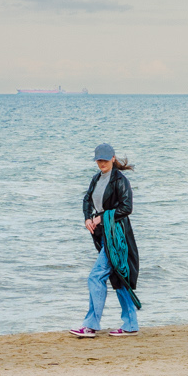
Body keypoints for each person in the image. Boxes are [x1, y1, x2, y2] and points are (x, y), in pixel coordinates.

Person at [70, 143, 141, 337]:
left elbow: (127, 207)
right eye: (98, 160)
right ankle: (131, 325)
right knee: (119, 278)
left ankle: (90, 325)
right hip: (103, 235)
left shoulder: (120, 180)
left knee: (96, 277)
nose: (101, 163)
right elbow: (87, 199)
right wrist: (88, 218)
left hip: (116, 236)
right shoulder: (96, 178)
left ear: (113, 158)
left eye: (105, 159)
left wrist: (102, 217)